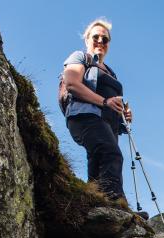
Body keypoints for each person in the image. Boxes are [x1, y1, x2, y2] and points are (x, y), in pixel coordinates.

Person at [63, 18, 133, 203]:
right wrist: (105, 101)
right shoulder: (80, 57)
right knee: (111, 154)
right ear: (87, 39)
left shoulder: (110, 72)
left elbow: (112, 101)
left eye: (105, 39)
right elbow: (71, 84)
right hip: (84, 116)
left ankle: (94, 205)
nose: (100, 41)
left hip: (108, 124)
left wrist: (123, 115)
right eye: (96, 37)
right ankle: (116, 204)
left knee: (97, 162)